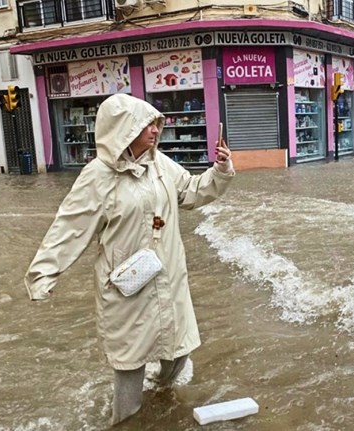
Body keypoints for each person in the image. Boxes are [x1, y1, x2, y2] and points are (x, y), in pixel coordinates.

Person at [23, 94, 235, 426]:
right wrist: (44, 274)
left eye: (155, 123)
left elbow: (191, 191)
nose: (155, 130)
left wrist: (220, 171)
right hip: (127, 286)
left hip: (168, 277)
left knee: (178, 349)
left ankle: (160, 397)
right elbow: (69, 227)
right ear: (124, 129)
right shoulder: (98, 176)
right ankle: (125, 422)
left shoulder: (160, 165)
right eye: (147, 124)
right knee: (130, 362)